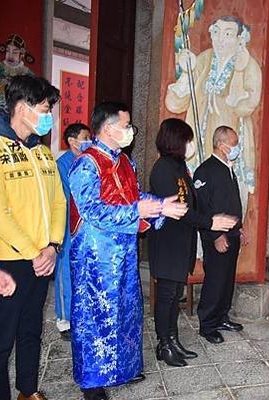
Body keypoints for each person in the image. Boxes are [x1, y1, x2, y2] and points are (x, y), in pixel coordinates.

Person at [69, 103, 188, 400]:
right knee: (95, 317)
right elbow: (92, 211)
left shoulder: (125, 161)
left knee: (125, 311)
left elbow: (135, 196)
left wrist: (160, 206)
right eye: (126, 125)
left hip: (123, 252)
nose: (130, 131)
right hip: (95, 256)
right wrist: (138, 210)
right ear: (108, 128)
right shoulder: (86, 164)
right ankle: (92, 382)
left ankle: (122, 369)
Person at [0, 75, 65, 400]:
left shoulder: (43, 153)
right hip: (9, 262)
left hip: (43, 259)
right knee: (0, 342)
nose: (49, 116)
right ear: (22, 108)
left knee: (32, 330)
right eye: (45, 108)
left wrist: (52, 246)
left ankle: (28, 391)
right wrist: (33, 251)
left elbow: (59, 201)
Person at [148, 119, 237, 366]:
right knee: (166, 296)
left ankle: (173, 340)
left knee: (175, 295)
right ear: (175, 141)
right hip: (168, 243)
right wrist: (211, 222)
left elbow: (193, 203)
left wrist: (210, 219)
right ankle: (163, 344)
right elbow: (181, 210)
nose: (190, 145)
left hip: (181, 242)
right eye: (186, 141)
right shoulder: (163, 169)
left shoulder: (180, 167)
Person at [166, 16, 262, 217]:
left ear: (239, 38)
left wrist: (236, 100)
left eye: (228, 34)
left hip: (227, 143)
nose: (220, 38)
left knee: (226, 199)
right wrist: (186, 74)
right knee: (196, 196)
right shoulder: (203, 59)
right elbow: (175, 103)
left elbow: (250, 102)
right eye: (216, 31)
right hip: (198, 139)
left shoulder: (247, 65)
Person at [193, 125, 246, 344]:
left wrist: (239, 228)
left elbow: (231, 202)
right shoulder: (206, 171)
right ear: (221, 144)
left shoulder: (227, 168)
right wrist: (215, 235)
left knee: (227, 280)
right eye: (233, 143)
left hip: (232, 234)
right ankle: (207, 324)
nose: (236, 147)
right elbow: (203, 208)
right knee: (215, 280)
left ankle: (222, 316)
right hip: (217, 237)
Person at [54, 123, 91, 341]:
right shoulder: (63, 164)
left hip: (85, 229)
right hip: (67, 226)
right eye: (85, 137)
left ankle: (80, 315)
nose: (89, 140)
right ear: (72, 141)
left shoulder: (86, 161)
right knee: (65, 272)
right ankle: (64, 320)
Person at [0, 34, 35, 113]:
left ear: (21, 54)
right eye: (8, 51)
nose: (10, 55)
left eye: (15, 52)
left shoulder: (28, 74)